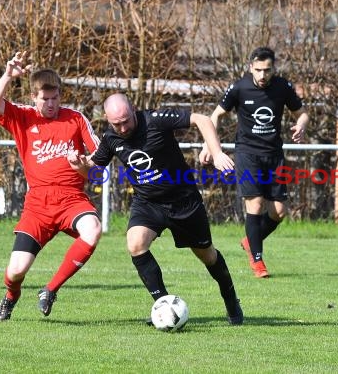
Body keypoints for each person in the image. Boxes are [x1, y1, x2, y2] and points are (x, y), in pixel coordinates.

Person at [68, 93, 244, 325]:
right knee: (135, 244)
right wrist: (80, 166)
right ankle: (163, 306)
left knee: (208, 255)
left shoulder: (156, 119)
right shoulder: (111, 137)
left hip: (183, 201)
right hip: (148, 203)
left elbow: (202, 119)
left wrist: (217, 152)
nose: (121, 128)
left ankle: (231, 300)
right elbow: (96, 173)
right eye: (115, 123)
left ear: (134, 109)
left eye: (125, 121)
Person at [0, 51, 102, 321]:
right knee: (16, 271)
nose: (51, 104)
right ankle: (11, 296)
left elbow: (98, 166)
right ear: (33, 98)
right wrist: (8, 75)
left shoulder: (75, 119)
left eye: (55, 98)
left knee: (93, 229)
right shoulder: (23, 117)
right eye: (44, 99)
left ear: (61, 95)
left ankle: (49, 290)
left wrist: (82, 166)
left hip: (72, 199)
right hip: (38, 205)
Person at [200, 47, 309, 278]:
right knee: (256, 204)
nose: (262, 75)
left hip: (274, 154)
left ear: (273, 68)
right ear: (251, 67)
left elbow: (302, 113)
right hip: (247, 154)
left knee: (279, 212)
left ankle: (250, 241)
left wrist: (300, 125)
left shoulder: (282, 87)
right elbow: (216, 115)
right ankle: (258, 261)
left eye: (267, 70)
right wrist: (208, 145)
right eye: (258, 70)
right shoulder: (239, 87)